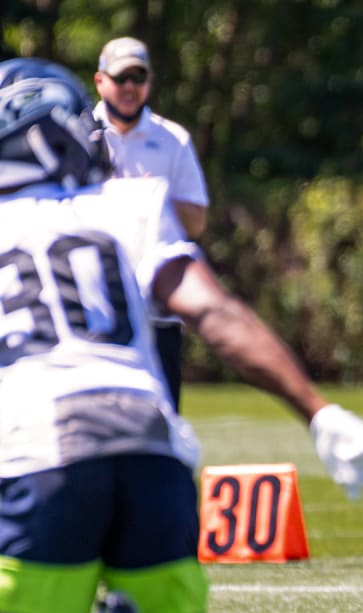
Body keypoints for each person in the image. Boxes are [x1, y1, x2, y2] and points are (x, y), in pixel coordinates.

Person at [0, 59, 363, 613]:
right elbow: (217, 315)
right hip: (149, 443)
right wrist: (318, 412)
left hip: (40, 453)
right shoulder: (132, 202)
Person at [93, 36, 211, 410]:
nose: (130, 87)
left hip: (157, 304)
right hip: (98, 299)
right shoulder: (78, 134)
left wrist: (153, 197)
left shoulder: (172, 139)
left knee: (164, 414)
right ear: (100, 81)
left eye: (138, 77)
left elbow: (196, 222)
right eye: (121, 77)